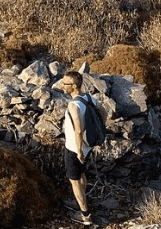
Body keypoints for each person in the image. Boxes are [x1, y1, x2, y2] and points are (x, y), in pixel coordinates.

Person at [60, 70, 96, 225]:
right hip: (88, 147)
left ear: (73, 86)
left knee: (74, 180)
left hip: (75, 149)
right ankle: (83, 201)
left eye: (65, 84)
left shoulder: (74, 105)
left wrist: (79, 151)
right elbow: (104, 112)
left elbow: (79, 130)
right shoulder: (88, 98)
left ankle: (85, 215)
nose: (62, 86)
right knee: (81, 175)